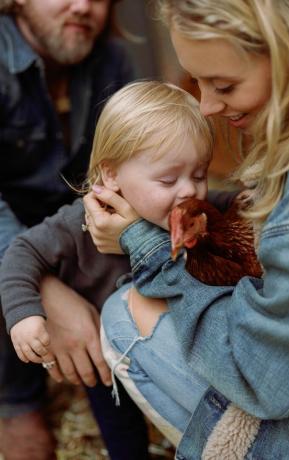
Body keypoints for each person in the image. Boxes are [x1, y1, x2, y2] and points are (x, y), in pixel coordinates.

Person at [82, 0, 289, 459]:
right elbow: (30, 252)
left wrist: (146, 247)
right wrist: (35, 304)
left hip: (283, 402)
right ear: (109, 176)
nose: (206, 105)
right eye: (197, 82)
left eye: (224, 84)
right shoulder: (88, 213)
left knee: (122, 316)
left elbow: (270, 377)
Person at [0, 80, 214, 458]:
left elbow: (236, 206)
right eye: (169, 179)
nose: (190, 191)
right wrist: (24, 315)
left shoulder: (196, 215)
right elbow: (21, 251)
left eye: (199, 175)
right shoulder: (75, 224)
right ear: (111, 175)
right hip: (104, 361)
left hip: (171, 348)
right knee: (121, 431)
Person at [0, 2, 151, 460]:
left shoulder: (111, 60)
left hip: (76, 235)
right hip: (16, 247)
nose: (84, 6)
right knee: (30, 446)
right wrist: (42, 289)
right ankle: (15, 402)